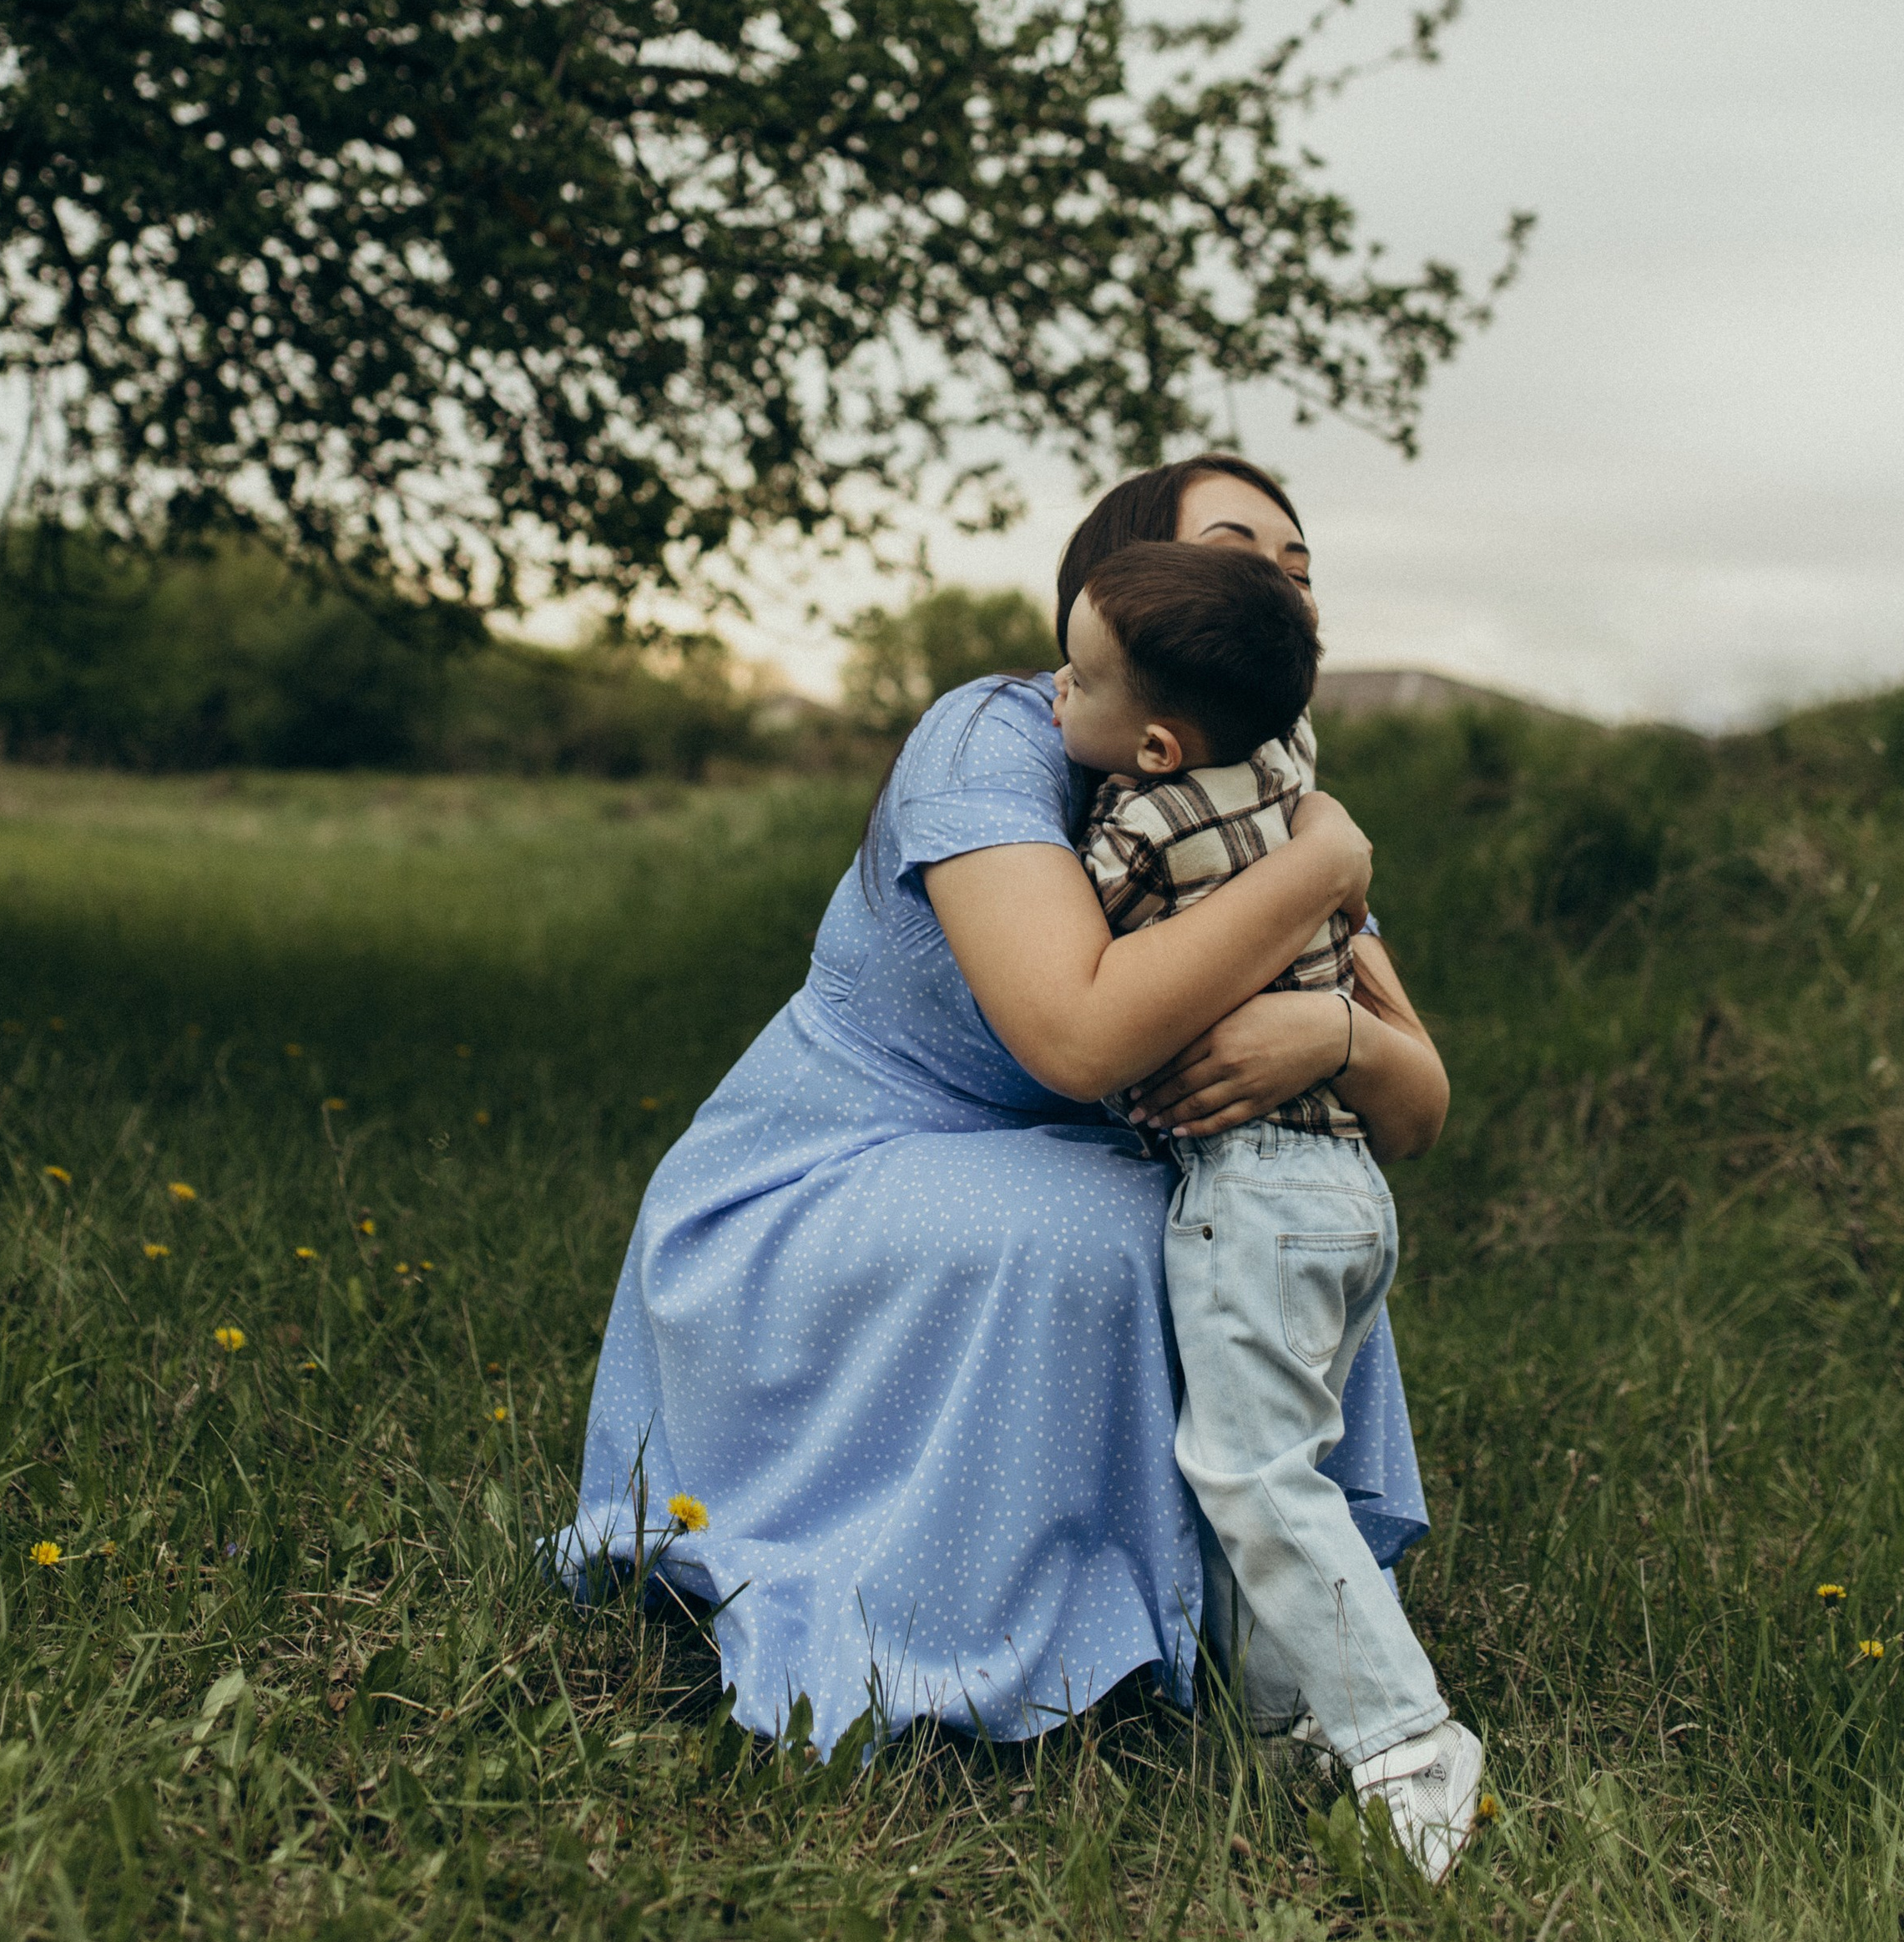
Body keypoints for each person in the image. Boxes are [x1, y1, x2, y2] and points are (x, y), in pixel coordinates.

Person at [563, 454, 1449, 1753]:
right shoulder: (996, 737)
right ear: (1127, 582)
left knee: (1285, 1215)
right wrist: (1326, 863)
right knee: (1110, 1230)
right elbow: (1076, 1035)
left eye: (1297, 573)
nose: (1274, 585)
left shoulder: (1265, 798)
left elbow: (1415, 1107)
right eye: (1232, 549)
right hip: (834, 1171)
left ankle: (1235, 1640)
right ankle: (1009, 1633)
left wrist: (1325, 1029)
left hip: (1095, 1172)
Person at [1058, 541, 1482, 1879]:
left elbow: (1082, 965)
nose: (1055, 704)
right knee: (1275, 1470)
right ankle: (1283, 1733)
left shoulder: (1137, 823)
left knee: (1250, 1475)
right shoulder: (1291, 783)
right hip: (1347, 1193)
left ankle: (1410, 1743)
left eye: (1077, 682)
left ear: (1162, 743)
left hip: (1253, 1190)